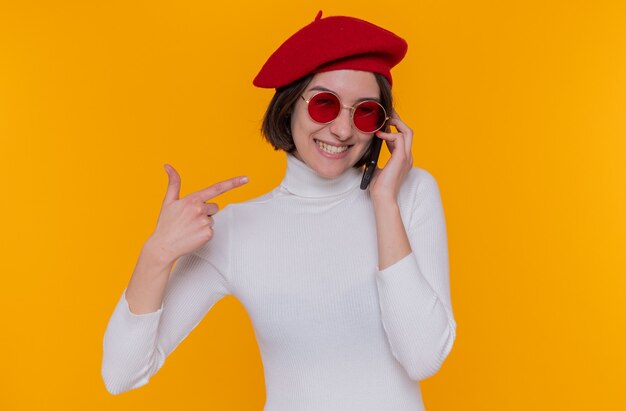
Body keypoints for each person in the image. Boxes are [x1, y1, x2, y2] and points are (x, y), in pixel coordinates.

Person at [102, 10, 456, 411]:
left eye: (364, 111)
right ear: (289, 106)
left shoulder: (410, 196)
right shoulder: (235, 230)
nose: (342, 130)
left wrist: (383, 202)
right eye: (325, 104)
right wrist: (156, 256)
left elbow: (423, 357)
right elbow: (121, 374)